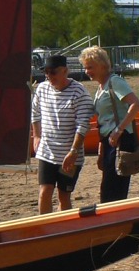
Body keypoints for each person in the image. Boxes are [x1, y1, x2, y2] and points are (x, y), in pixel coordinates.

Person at [31, 54, 94, 214]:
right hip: (47, 152)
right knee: (44, 192)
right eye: (46, 72)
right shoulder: (42, 88)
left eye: (53, 72)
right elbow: (35, 113)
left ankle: (63, 227)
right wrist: (37, 135)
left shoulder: (79, 93)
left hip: (70, 155)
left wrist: (73, 151)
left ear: (65, 71)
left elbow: (83, 125)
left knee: (63, 195)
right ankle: (45, 229)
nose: (48, 76)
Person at [79, 46, 139, 203]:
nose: (87, 71)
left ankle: (116, 220)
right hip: (109, 141)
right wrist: (102, 143)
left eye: (90, 67)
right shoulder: (101, 87)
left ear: (102, 65)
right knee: (108, 185)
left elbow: (135, 105)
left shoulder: (115, 82)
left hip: (120, 140)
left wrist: (118, 130)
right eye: (85, 67)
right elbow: (103, 118)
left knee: (115, 187)